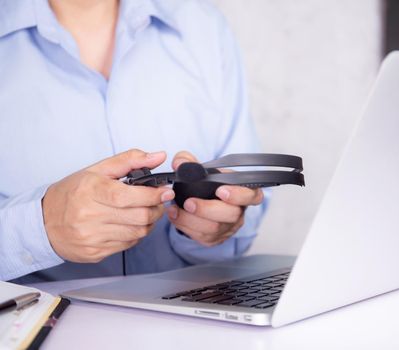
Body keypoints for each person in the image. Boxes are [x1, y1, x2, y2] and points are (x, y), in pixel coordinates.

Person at [0, 0, 268, 283]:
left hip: (195, 313)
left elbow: (247, 202)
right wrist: (39, 231)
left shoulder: (202, 25)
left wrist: (211, 225)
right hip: (38, 320)